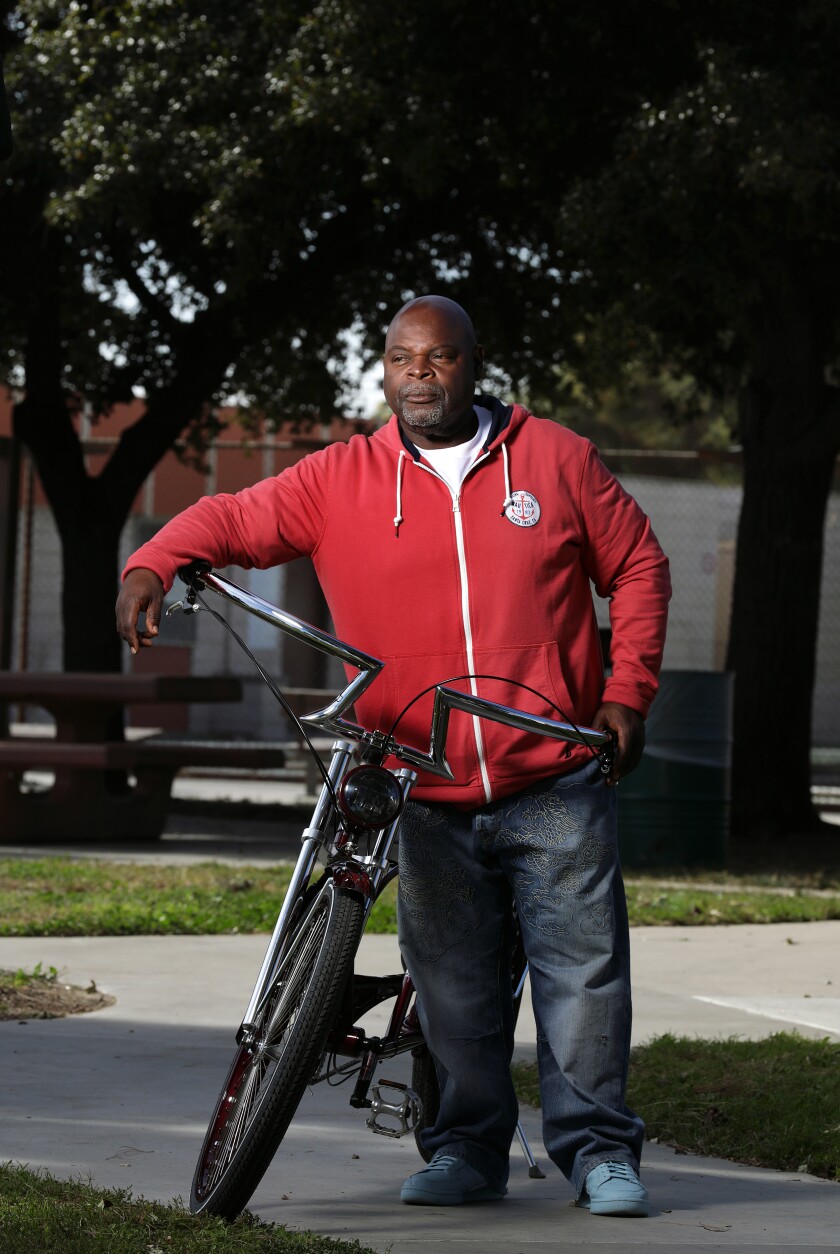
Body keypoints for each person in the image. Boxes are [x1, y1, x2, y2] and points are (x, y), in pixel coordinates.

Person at [116, 295, 670, 1218]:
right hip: (423, 777)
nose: (422, 373)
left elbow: (639, 565)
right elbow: (228, 519)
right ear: (384, 369)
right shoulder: (341, 478)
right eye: (404, 359)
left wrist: (627, 691)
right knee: (451, 985)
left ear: (472, 362)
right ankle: (462, 1152)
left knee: (582, 976)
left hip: (555, 774)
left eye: (441, 357)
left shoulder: (555, 459)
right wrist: (152, 564)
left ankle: (600, 1153)